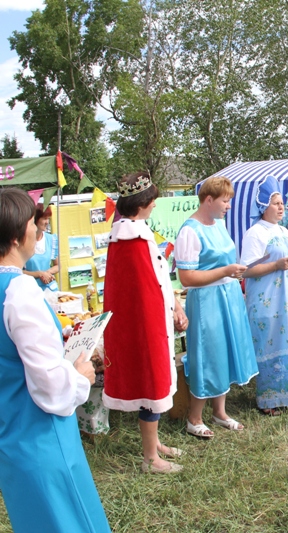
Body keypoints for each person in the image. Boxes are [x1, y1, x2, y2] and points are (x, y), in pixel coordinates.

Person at [0, 187, 110, 532]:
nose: (38, 230)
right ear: (17, 236)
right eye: (33, 223)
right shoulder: (19, 292)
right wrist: (80, 375)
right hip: (41, 436)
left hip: (10, 435)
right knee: (69, 520)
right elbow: (50, 385)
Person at [103, 171, 188, 474]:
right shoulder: (133, 239)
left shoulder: (130, 233)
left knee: (153, 382)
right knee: (150, 383)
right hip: (146, 326)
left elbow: (158, 281)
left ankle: (155, 444)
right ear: (142, 203)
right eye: (152, 199)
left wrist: (175, 305)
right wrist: (169, 312)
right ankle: (150, 458)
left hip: (147, 323)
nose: (155, 204)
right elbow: (149, 290)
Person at [175, 176, 258, 438]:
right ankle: (194, 418)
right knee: (208, 354)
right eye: (225, 201)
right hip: (206, 301)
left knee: (225, 350)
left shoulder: (219, 224)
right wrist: (225, 271)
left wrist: (233, 274)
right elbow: (186, 278)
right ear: (208, 200)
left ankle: (220, 412)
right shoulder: (190, 231)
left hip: (228, 295)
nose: (229, 206)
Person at [241, 177, 288, 416]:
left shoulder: (282, 230)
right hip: (268, 299)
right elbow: (247, 269)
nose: (281, 207)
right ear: (263, 207)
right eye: (276, 204)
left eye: (282, 203)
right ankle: (269, 399)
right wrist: (276, 265)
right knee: (270, 343)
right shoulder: (255, 233)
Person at [22, 203, 59, 291]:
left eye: (48, 219)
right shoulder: (23, 241)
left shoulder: (51, 239)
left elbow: (58, 265)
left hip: (50, 289)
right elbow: (18, 270)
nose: (47, 222)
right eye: (45, 218)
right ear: (35, 219)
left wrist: (47, 273)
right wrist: (38, 274)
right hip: (30, 289)